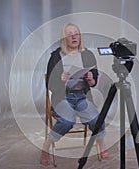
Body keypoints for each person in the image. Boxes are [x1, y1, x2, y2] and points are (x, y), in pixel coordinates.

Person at [40, 23, 109, 166]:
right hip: (62, 97)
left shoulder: (87, 54)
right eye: (70, 34)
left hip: (82, 96)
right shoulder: (55, 56)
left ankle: (101, 144)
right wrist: (60, 80)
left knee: (97, 119)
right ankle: (46, 146)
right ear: (64, 38)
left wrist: (90, 79)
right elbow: (50, 85)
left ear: (80, 37)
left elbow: (93, 82)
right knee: (67, 121)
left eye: (76, 33)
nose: (74, 36)